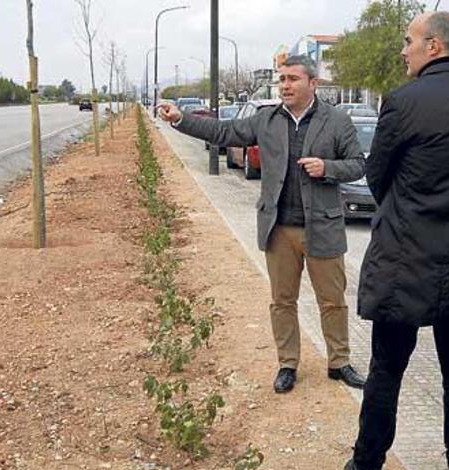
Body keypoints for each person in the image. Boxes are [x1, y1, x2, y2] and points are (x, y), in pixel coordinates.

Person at [341, 11, 449, 470]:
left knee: (387, 368)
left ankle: (366, 469)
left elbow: (378, 177)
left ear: (434, 46)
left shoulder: (403, 101)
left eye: (409, 40)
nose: (403, 49)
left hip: (406, 257)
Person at [157, 55, 367, 393]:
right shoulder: (265, 119)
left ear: (312, 83)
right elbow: (223, 131)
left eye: (292, 79)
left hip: (323, 227)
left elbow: (357, 165)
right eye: (282, 79)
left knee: (332, 300)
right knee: (282, 300)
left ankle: (339, 362)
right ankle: (287, 363)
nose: (285, 85)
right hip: (279, 229)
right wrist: (181, 119)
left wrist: (327, 168)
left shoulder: (337, 120)